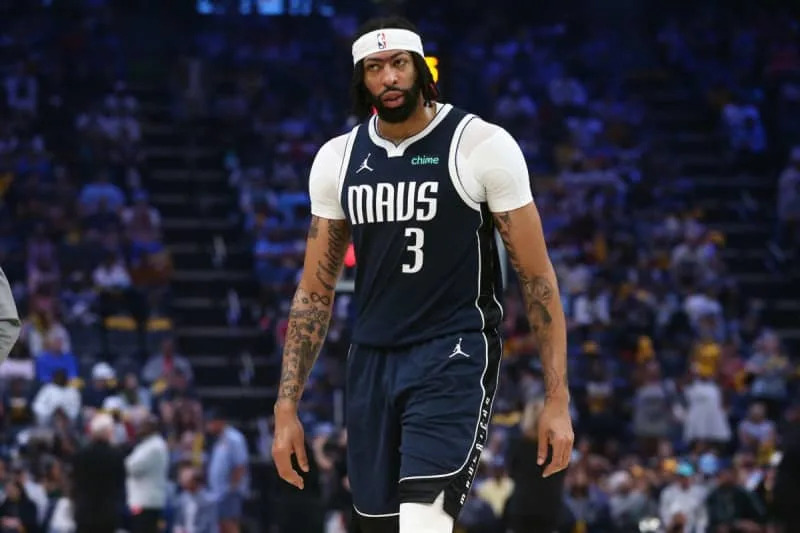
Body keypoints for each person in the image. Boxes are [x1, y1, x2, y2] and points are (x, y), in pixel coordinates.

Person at [271, 16, 574, 533]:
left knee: (422, 525)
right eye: (374, 67)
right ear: (360, 80)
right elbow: (315, 293)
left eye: (399, 64)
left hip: (451, 353)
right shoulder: (337, 160)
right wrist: (286, 407)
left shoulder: (480, 145)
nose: (388, 77)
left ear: (420, 70)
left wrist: (557, 399)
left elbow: (538, 278)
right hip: (371, 359)